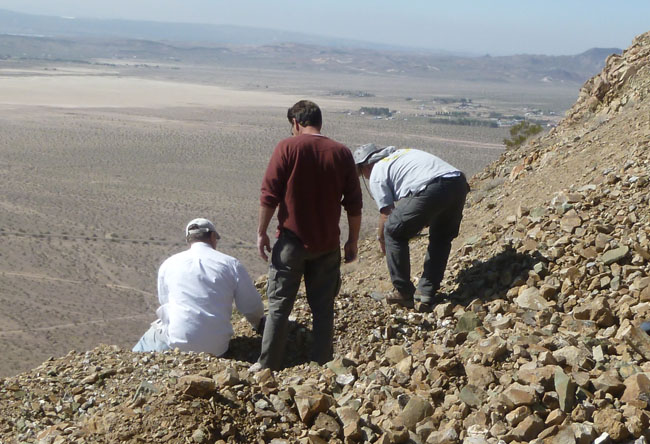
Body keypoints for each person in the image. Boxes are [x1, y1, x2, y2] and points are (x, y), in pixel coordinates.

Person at [254, 100, 363, 371]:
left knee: (279, 305)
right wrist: (352, 240)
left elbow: (269, 195)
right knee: (323, 308)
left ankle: (268, 366)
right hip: (327, 244)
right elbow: (354, 203)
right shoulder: (341, 153)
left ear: (296, 123)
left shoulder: (287, 147)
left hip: (291, 240)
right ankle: (321, 364)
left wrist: (261, 232)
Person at [353, 144, 469, 308]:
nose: (364, 176)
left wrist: (381, 238)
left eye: (361, 171)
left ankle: (403, 292)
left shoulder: (377, 172)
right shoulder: (400, 154)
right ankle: (426, 292)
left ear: (366, 165)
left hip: (433, 187)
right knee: (441, 238)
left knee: (393, 231)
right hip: (458, 182)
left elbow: (387, 214)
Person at [133, 218, 265, 356]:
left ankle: (132, 364)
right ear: (213, 237)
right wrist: (258, 324)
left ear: (188, 240)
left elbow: (165, 304)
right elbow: (252, 307)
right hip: (218, 348)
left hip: (178, 344)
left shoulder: (168, 264)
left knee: (149, 338)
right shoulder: (231, 264)